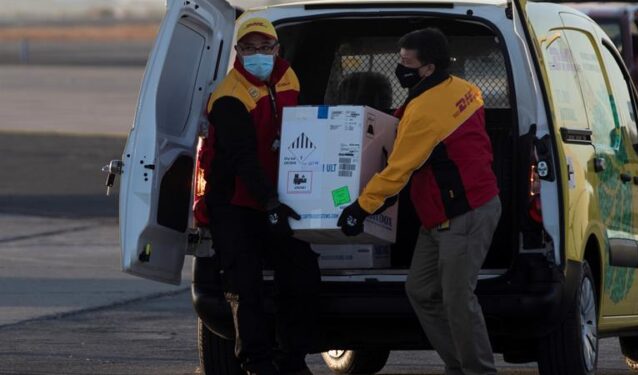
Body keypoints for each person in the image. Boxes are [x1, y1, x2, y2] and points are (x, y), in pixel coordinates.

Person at [337, 28, 501, 375]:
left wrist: (360, 208)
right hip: (440, 214)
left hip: (465, 213)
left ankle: (478, 371)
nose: (400, 69)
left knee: (458, 298)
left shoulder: (426, 111)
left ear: (427, 68)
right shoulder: (463, 89)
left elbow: (398, 170)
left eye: (406, 63)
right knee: (421, 290)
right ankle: (458, 365)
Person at [196, 15, 320, 375]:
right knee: (243, 285)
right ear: (238, 51)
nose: (257, 55)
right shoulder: (229, 96)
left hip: (276, 198)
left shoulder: (289, 78)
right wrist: (269, 203)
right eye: (248, 48)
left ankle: (292, 359)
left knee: (302, 275)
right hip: (235, 202)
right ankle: (257, 363)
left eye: (264, 47)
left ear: (277, 49)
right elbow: (242, 158)